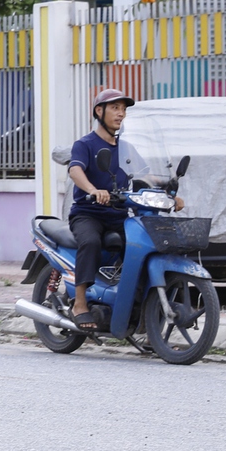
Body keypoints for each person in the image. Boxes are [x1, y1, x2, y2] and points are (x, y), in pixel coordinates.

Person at [64, 87, 136, 332]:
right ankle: (80, 304)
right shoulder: (85, 144)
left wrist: (169, 191)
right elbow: (75, 169)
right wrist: (93, 189)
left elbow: (146, 175)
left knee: (143, 245)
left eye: (124, 109)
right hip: (88, 213)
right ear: (99, 111)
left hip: (119, 214)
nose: (121, 114)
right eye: (115, 108)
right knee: (91, 242)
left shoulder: (126, 148)